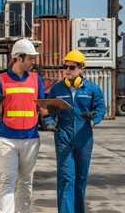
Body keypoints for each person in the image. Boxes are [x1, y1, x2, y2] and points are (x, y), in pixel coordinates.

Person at [43, 50, 106, 213]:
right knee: (66, 179)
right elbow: (49, 113)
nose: (67, 70)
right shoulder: (57, 89)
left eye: (71, 67)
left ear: (81, 68)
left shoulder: (92, 89)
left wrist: (94, 116)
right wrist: (48, 122)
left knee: (80, 180)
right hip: (63, 137)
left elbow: (101, 108)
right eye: (65, 66)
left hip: (84, 139)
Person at [0, 39, 46, 213]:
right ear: (18, 58)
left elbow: (42, 109)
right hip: (7, 140)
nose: (33, 63)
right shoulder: (1, 80)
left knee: (26, 182)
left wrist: (51, 110)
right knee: (7, 181)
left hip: (30, 139)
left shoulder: (36, 80)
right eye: (30, 58)